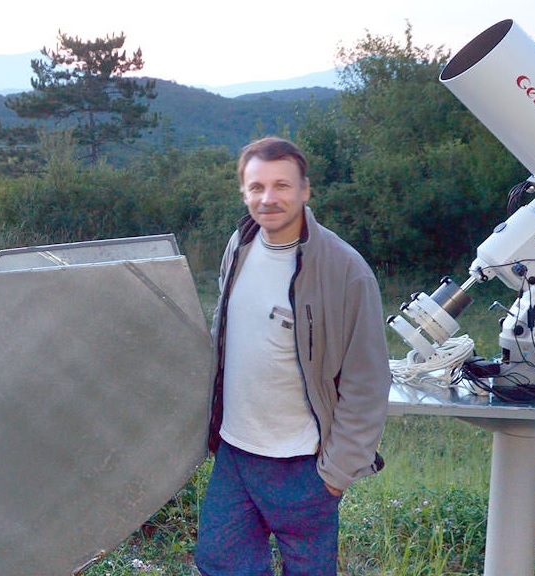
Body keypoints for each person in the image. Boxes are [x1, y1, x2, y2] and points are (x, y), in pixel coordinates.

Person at [195, 136, 391, 575]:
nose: (268, 198)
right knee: (220, 563)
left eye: (282, 185)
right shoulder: (239, 246)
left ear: (305, 190)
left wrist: (335, 476)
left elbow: (368, 381)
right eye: (257, 187)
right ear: (243, 193)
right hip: (235, 454)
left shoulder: (345, 270)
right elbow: (223, 335)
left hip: (303, 466)